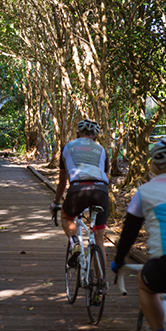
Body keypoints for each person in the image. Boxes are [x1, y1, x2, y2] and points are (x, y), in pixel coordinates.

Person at [111, 138, 166, 331]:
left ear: (153, 164)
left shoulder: (145, 192)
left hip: (162, 266)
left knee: (145, 284)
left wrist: (118, 261)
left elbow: (128, 234)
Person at [49, 119, 110, 290]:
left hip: (78, 190)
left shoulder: (68, 147)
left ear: (77, 134)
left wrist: (55, 203)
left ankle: (75, 242)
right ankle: (100, 284)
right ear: (96, 136)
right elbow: (105, 176)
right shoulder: (102, 150)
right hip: (101, 191)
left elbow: (62, 183)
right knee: (99, 238)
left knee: (66, 216)